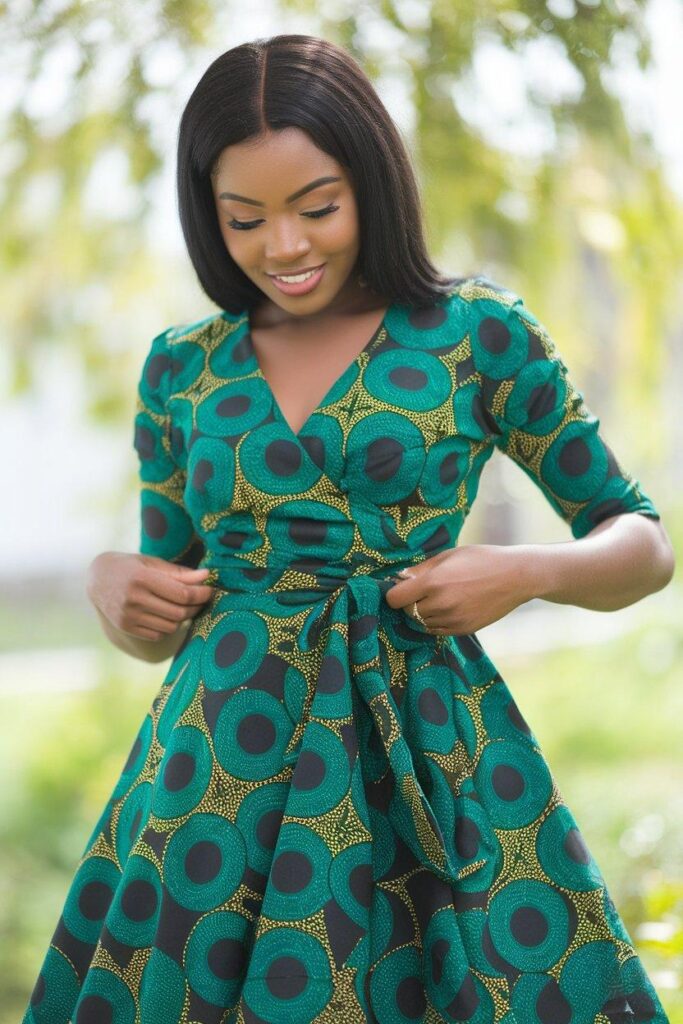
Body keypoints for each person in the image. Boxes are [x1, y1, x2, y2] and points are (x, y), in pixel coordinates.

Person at [23, 32, 675, 1024]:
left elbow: (639, 540)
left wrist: (529, 569)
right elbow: (158, 610)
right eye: (244, 219)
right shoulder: (180, 368)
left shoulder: (476, 333)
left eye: (315, 207)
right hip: (218, 768)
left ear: (372, 181)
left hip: (423, 755)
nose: (284, 247)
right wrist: (115, 584)